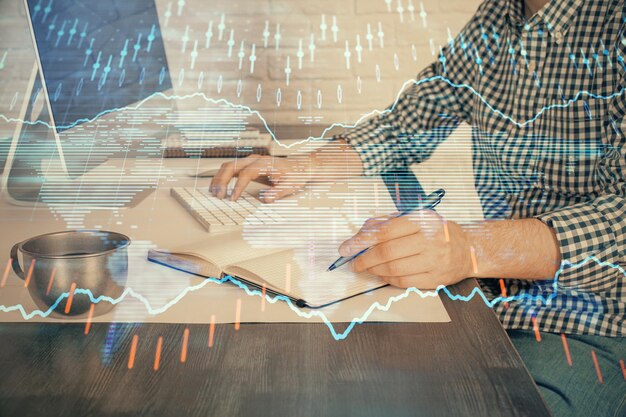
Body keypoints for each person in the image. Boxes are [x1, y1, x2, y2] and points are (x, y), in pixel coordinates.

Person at [210, 0, 625, 415]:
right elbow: (408, 123)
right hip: (496, 294)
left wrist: (470, 248)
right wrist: (307, 166)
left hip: (594, 321)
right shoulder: (501, 14)